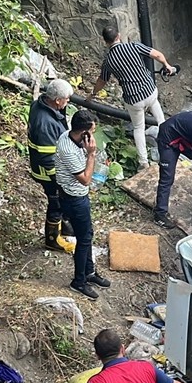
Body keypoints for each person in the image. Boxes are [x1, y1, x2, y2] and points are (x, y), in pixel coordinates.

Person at [91, 27, 176, 170]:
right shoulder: (134, 46)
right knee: (161, 120)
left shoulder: (108, 61)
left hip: (134, 99)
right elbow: (157, 55)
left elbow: (102, 81)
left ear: (105, 42)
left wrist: (92, 94)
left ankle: (144, 162)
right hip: (150, 91)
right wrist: (167, 66)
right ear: (119, 36)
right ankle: (169, 148)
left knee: (138, 128)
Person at [55, 110, 112, 300]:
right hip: (74, 198)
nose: (94, 136)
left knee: (87, 235)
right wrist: (91, 155)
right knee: (84, 239)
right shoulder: (69, 150)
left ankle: (89, 272)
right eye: (92, 132)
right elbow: (86, 180)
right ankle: (79, 281)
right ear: (84, 133)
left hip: (77, 196)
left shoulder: (70, 136)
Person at [27, 78, 76, 253]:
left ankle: (64, 226)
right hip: (47, 172)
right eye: (66, 99)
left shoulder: (40, 105)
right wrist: (60, 178)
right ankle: (52, 240)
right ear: (57, 100)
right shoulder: (45, 123)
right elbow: (47, 156)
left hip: (48, 166)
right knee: (56, 202)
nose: (68, 102)